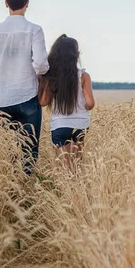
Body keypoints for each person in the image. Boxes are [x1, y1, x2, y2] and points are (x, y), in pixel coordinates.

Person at [0, 0, 49, 175]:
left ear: (5, 3)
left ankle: (8, 191)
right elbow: (40, 64)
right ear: (28, 3)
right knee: (29, 150)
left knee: (5, 152)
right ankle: (26, 191)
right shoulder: (34, 30)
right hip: (26, 97)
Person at [38, 34, 95, 173]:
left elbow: (44, 102)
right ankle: (78, 193)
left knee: (65, 171)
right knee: (76, 167)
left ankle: (68, 194)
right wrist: (81, 105)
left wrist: (42, 83)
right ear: (77, 54)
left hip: (60, 126)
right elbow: (90, 103)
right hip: (81, 126)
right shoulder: (83, 76)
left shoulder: (52, 76)